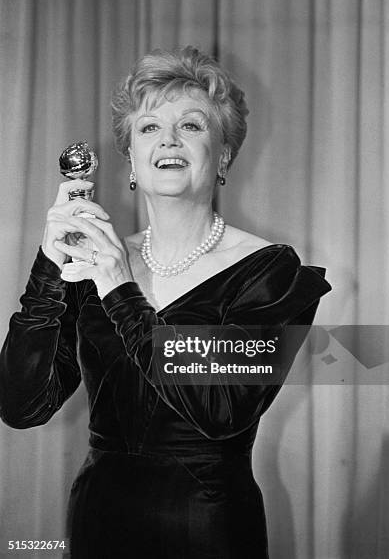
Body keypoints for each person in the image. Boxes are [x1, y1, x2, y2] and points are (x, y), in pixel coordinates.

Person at [0, 46, 331, 558]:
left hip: (208, 527)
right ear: (130, 156)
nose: (169, 139)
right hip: (98, 522)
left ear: (222, 154)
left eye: (192, 126)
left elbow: (219, 410)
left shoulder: (270, 271)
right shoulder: (99, 262)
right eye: (150, 127)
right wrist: (49, 267)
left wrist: (119, 287)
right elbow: (22, 407)